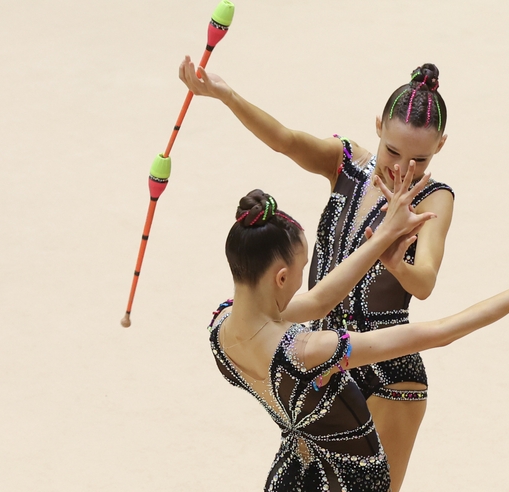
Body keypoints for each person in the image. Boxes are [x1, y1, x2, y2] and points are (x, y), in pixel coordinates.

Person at [208, 177, 509, 492]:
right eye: (302, 268)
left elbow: (320, 300)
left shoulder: (222, 327)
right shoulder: (309, 350)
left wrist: (383, 235)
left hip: (291, 477)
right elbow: (440, 332)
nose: (302, 283)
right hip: (348, 483)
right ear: (280, 278)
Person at [181, 57, 455, 489]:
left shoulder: (434, 198)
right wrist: (226, 95)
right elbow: (285, 141)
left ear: (440, 145)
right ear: (378, 126)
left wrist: (396, 263)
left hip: (388, 369)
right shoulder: (345, 162)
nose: (402, 168)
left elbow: (425, 283)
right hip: (322, 351)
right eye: (392, 151)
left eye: (419, 159)